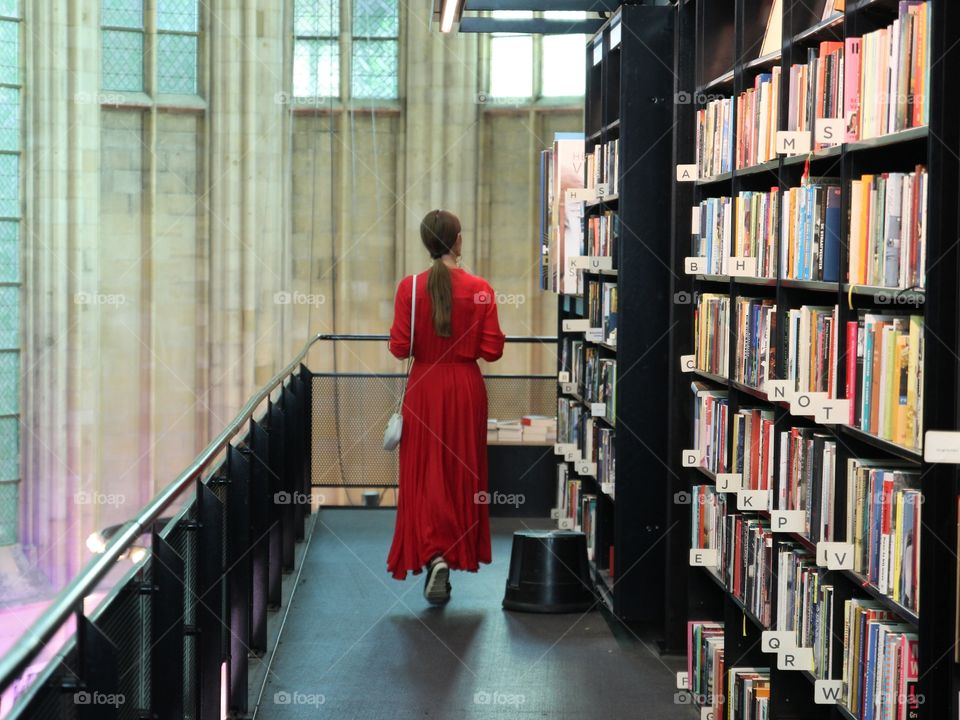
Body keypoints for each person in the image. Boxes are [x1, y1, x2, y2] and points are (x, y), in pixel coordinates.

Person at [387, 209, 506, 605]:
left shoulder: (411, 287)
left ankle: (433, 552)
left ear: (427, 243)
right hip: (465, 389)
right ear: (457, 241)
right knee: (460, 474)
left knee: (425, 474)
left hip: (424, 387)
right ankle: (450, 552)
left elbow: (400, 347)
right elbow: (492, 350)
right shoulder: (480, 288)